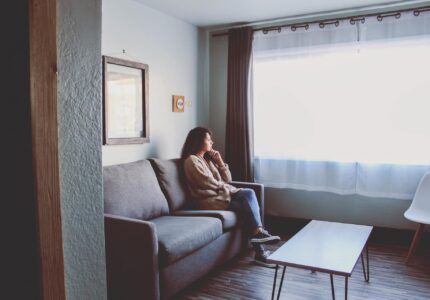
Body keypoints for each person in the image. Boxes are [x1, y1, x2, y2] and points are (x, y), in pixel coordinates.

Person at [181, 127, 280, 267]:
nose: (211, 142)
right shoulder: (191, 161)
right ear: (198, 141)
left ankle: (259, 248)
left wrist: (220, 162)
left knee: (245, 208)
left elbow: (227, 179)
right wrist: (230, 189)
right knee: (249, 193)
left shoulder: (207, 160)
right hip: (207, 201)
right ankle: (259, 236)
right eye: (208, 139)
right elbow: (207, 182)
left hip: (219, 196)